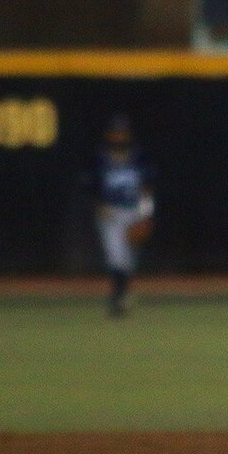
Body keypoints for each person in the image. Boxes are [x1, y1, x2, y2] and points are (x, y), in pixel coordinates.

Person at [92, 115, 155, 317]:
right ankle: (118, 298)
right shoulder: (101, 158)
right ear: (109, 135)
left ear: (128, 135)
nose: (119, 137)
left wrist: (146, 215)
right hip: (111, 214)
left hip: (134, 213)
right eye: (115, 133)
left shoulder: (138, 157)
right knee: (116, 257)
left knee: (127, 262)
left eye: (122, 133)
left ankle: (120, 297)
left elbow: (147, 189)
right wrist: (99, 205)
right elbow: (91, 186)